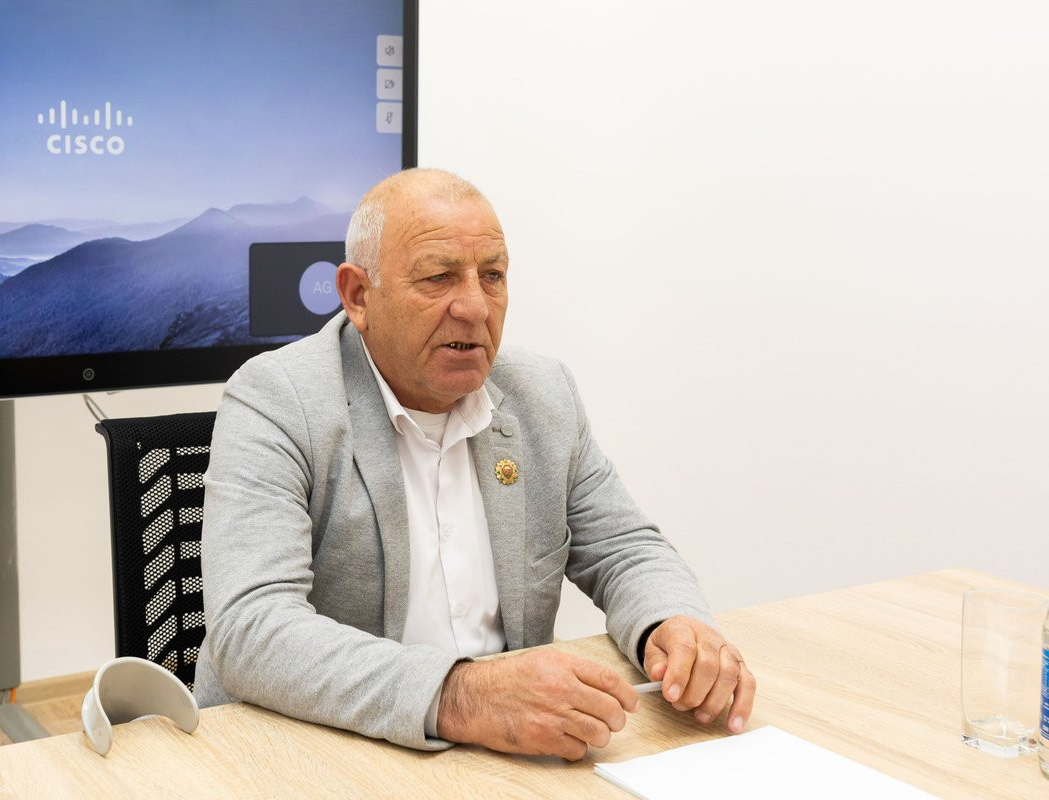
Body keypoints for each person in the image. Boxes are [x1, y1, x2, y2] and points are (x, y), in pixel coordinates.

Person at [193, 168, 755, 760]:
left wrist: (673, 624)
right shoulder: (278, 399)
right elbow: (252, 629)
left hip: (506, 756)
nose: (474, 307)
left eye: (493, 276)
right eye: (438, 278)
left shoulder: (543, 393)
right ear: (358, 296)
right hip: (320, 752)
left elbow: (624, 549)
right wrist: (462, 696)